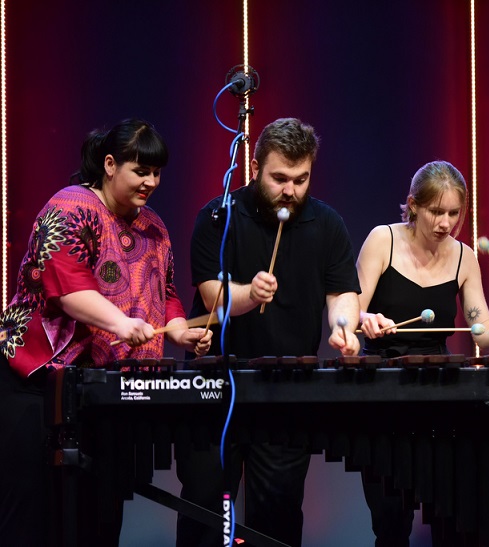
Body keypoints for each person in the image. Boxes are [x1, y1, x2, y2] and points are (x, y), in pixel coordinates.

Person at [0, 118, 212, 547]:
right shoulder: (70, 207)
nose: (151, 182)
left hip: (103, 394)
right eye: (141, 171)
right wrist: (120, 323)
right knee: (33, 519)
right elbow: (66, 287)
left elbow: (165, 292)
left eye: (157, 173)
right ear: (110, 164)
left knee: (99, 521)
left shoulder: (153, 227)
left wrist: (178, 331)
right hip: (37, 384)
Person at [176, 117, 361, 547]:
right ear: (255, 167)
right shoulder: (218, 216)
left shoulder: (327, 224)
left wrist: (343, 328)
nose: (290, 191)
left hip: (285, 390)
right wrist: (249, 293)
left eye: (301, 179)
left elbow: (342, 293)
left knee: (276, 519)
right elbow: (213, 298)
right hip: (214, 388)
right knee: (206, 513)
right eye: (279, 178)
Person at [356, 160, 489, 546]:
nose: (445, 223)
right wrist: (366, 318)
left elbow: (484, 332)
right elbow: (352, 310)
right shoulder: (383, 240)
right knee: (391, 521)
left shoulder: (464, 257)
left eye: (454, 213)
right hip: (382, 385)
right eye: (436, 212)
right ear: (413, 205)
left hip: (438, 390)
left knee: (449, 514)